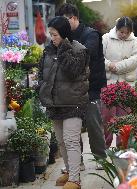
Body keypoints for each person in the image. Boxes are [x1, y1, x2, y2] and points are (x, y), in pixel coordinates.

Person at [38, 16, 89, 189]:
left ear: (64, 34)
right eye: (50, 35)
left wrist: (64, 48)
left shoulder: (79, 50)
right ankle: (69, 171)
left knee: (71, 140)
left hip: (73, 103)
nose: (52, 38)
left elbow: (73, 71)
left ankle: (75, 179)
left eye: (55, 35)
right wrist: (42, 89)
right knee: (61, 142)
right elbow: (42, 75)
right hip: (55, 103)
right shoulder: (48, 50)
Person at [57, 3, 107, 168]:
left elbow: (87, 53)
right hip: (72, 88)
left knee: (93, 124)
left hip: (91, 87)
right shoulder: (62, 37)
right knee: (73, 127)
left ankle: (100, 158)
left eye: (65, 21)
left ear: (74, 18)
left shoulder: (91, 34)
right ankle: (77, 162)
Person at [102, 16, 137, 147]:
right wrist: (109, 65)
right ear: (116, 29)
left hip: (126, 85)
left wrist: (117, 66)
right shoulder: (106, 38)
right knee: (106, 118)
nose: (124, 35)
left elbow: (136, 59)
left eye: (127, 32)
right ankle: (104, 150)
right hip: (109, 85)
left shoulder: (135, 41)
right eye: (121, 32)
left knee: (124, 118)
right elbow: (98, 57)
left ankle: (122, 149)